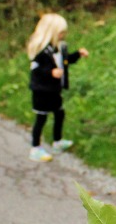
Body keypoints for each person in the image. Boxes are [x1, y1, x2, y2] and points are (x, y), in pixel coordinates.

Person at [25, 12, 88, 162]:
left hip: (54, 90)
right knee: (41, 118)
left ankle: (57, 141)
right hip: (42, 91)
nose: (63, 35)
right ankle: (35, 148)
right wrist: (50, 72)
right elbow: (36, 69)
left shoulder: (60, 48)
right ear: (51, 32)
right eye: (61, 32)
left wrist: (78, 54)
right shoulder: (41, 51)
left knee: (59, 114)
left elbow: (65, 62)